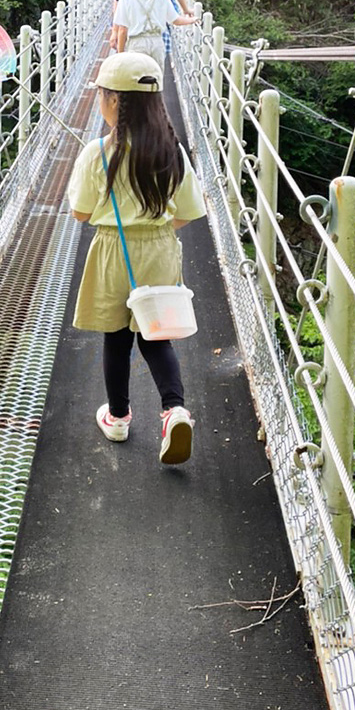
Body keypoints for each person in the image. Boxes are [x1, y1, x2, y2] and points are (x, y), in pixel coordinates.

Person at [67, 51, 205, 465]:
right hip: (161, 249)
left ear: (116, 102)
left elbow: (80, 212)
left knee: (116, 336)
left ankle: (119, 416)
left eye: (102, 95)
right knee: (155, 334)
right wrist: (156, 230)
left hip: (114, 251)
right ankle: (174, 409)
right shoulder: (173, 151)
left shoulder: (98, 153)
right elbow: (189, 211)